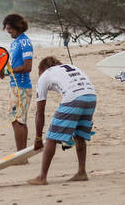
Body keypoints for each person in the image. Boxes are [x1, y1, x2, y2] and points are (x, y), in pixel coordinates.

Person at [28, 56, 96, 185]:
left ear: (41, 69)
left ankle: (42, 177)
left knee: (51, 137)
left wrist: (38, 137)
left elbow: (40, 112)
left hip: (74, 97)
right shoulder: (71, 67)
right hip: (91, 96)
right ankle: (82, 172)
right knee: (79, 135)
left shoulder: (44, 75)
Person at [0, 13, 34, 150]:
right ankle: (22, 153)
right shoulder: (15, 42)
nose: (8, 31)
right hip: (15, 86)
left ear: (17, 27)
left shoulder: (24, 42)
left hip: (22, 87)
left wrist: (7, 72)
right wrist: (4, 72)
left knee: (18, 121)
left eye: (10, 29)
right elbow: (14, 65)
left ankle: (21, 155)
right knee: (18, 120)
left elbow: (27, 67)